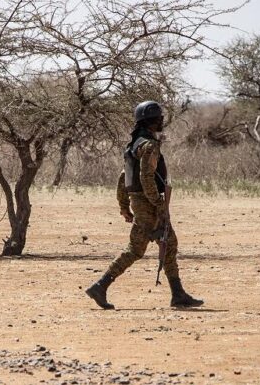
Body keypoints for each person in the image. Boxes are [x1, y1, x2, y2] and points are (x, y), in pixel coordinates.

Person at [86, 101, 203, 309]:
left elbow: (124, 178)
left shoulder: (134, 144)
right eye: (159, 118)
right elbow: (146, 178)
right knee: (152, 246)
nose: (162, 121)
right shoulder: (149, 145)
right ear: (151, 121)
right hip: (148, 204)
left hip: (140, 202)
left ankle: (177, 294)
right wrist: (159, 204)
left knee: (156, 246)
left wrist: (124, 205)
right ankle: (101, 286)